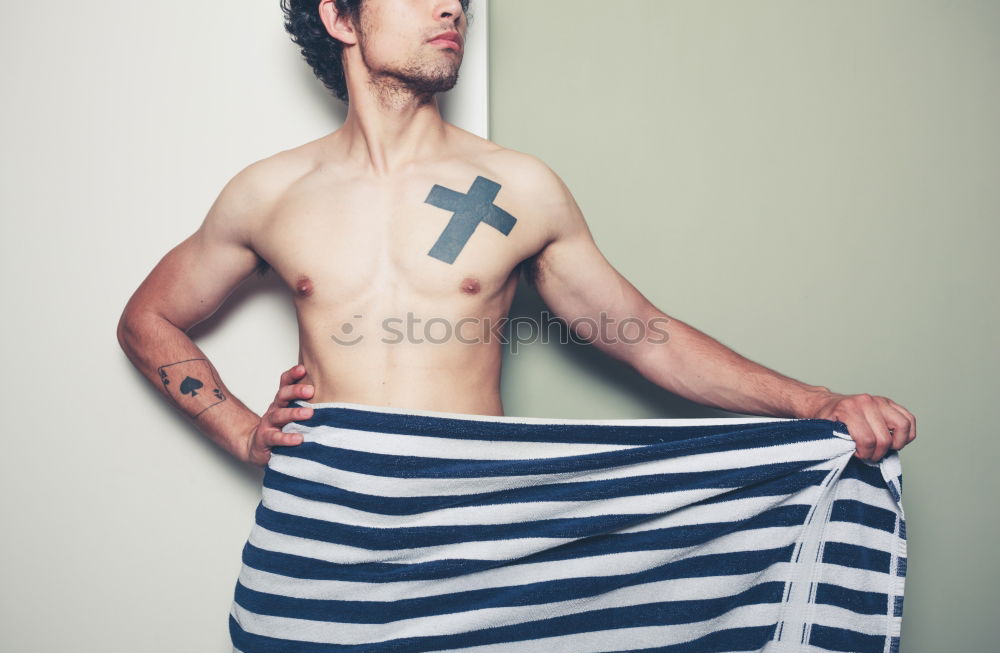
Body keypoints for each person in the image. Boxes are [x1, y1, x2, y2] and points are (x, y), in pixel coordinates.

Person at [117, 0, 915, 473]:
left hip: (479, 519)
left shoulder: (515, 187)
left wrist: (820, 404)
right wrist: (240, 433)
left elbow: (647, 340)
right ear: (340, 16)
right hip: (321, 520)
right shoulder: (270, 193)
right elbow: (147, 319)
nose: (453, 8)